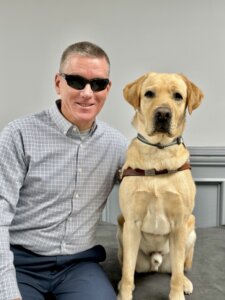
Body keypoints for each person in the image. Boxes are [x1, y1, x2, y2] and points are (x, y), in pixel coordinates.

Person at [0, 41, 127, 300]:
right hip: (19, 262)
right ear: (58, 83)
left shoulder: (117, 145)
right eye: (76, 82)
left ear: (108, 88)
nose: (88, 93)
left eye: (98, 84)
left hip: (78, 265)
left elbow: (147, 185)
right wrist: (7, 287)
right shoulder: (19, 134)